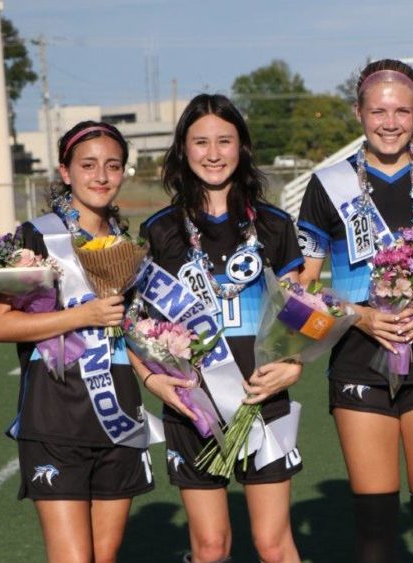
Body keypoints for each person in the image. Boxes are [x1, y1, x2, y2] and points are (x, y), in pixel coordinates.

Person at [296, 58, 413, 563]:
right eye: (378, 110)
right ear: (358, 112)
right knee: (375, 527)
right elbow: (298, 291)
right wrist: (358, 314)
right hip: (357, 361)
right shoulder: (327, 184)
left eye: (402, 110)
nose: (391, 122)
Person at [136, 93, 305, 563]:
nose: (213, 153)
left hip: (262, 398)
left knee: (273, 544)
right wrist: (152, 379)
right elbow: (135, 325)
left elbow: (301, 311)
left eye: (225, 140)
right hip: (192, 407)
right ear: (183, 150)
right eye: (201, 141)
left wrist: (293, 365)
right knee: (211, 547)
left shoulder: (274, 224)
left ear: (242, 147)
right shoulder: (159, 231)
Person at [0, 121, 153, 563]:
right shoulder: (36, 237)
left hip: (117, 414)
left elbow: (131, 335)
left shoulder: (127, 244)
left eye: (112, 166)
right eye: (88, 165)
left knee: (104, 555)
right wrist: (83, 315)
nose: (101, 176)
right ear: (65, 171)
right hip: (55, 415)